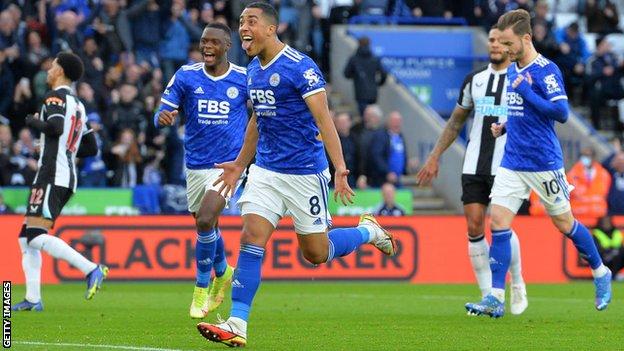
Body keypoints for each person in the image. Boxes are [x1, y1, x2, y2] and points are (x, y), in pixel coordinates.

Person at [196, 2, 396, 347]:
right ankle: (237, 323)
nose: (243, 28)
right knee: (251, 236)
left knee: (316, 254)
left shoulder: (299, 68)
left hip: (305, 173)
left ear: (272, 28)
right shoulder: (254, 70)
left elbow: (324, 120)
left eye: (251, 21)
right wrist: (241, 164)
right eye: (242, 21)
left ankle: (368, 231)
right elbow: (258, 120)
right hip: (266, 171)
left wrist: (341, 169)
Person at [465, 10, 612, 318]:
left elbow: (560, 113)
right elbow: (521, 109)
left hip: (544, 163)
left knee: (565, 224)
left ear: (526, 38)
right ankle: (494, 296)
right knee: (498, 223)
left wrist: (525, 90)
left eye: (509, 42)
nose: (504, 49)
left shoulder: (546, 71)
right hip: (512, 161)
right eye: (501, 43)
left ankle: (600, 272)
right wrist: (504, 125)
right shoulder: (513, 69)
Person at [417, 26, 528, 314]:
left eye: (501, 41)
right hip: (475, 163)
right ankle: (488, 296)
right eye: (491, 40)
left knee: (500, 226)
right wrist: (434, 156)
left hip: (509, 164)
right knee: (474, 225)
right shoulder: (474, 80)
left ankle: (516, 281)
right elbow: (455, 123)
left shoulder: (521, 79)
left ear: (510, 45)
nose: (494, 45)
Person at [154, 22, 245, 319]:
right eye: (204, 42)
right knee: (207, 226)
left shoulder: (244, 80)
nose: (207, 47)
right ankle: (222, 270)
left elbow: (263, 117)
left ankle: (200, 291)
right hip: (194, 164)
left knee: (205, 219)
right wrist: (162, 118)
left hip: (228, 166)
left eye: (214, 42)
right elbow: (161, 112)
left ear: (227, 46)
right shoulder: (186, 75)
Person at [12, 52, 107, 311]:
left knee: (33, 235)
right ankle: (33, 299)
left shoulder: (55, 97)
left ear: (61, 71)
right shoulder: (78, 104)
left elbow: (53, 127)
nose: (49, 69)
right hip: (65, 176)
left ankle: (91, 269)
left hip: (51, 175)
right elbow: (91, 147)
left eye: (53, 65)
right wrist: (66, 148)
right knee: (25, 237)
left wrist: (33, 122)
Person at [343, 36, 386, 117]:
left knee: (363, 116)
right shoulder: (375, 58)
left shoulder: (354, 59)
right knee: (372, 115)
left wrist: (356, 76)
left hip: (360, 91)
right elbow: (384, 73)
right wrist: (378, 83)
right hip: (373, 92)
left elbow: (346, 74)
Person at [567, 147, 611, 222]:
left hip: (598, 215)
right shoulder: (572, 174)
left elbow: (605, 193)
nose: (584, 158)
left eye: (587, 155)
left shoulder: (604, 174)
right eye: (583, 155)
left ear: (594, 157)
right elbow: (570, 193)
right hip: (578, 215)